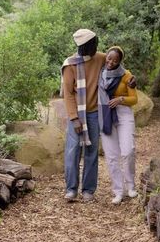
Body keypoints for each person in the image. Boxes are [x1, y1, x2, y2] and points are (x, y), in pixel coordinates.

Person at [60, 29, 105, 202]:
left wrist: (130, 78)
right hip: (76, 115)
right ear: (84, 46)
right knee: (72, 152)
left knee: (92, 152)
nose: (96, 47)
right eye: (93, 44)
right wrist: (74, 118)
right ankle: (71, 189)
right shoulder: (70, 64)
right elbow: (68, 94)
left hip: (94, 114)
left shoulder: (100, 58)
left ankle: (88, 190)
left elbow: (117, 64)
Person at [98, 46, 138, 204]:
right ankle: (118, 191)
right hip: (105, 114)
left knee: (128, 151)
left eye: (115, 61)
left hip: (123, 113)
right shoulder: (99, 73)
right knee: (112, 156)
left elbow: (134, 99)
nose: (111, 62)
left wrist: (120, 99)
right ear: (105, 56)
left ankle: (131, 186)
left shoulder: (126, 75)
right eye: (109, 58)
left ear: (120, 61)